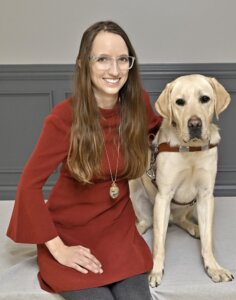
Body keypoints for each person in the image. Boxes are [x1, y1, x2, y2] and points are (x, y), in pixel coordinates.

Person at [7, 20, 161, 300]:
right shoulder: (64, 118)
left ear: (131, 64)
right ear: (83, 64)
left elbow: (159, 131)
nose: (114, 71)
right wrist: (58, 249)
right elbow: (28, 186)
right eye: (103, 59)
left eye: (122, 60)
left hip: (119, 233)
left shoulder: (139, 103)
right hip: (71, 233)